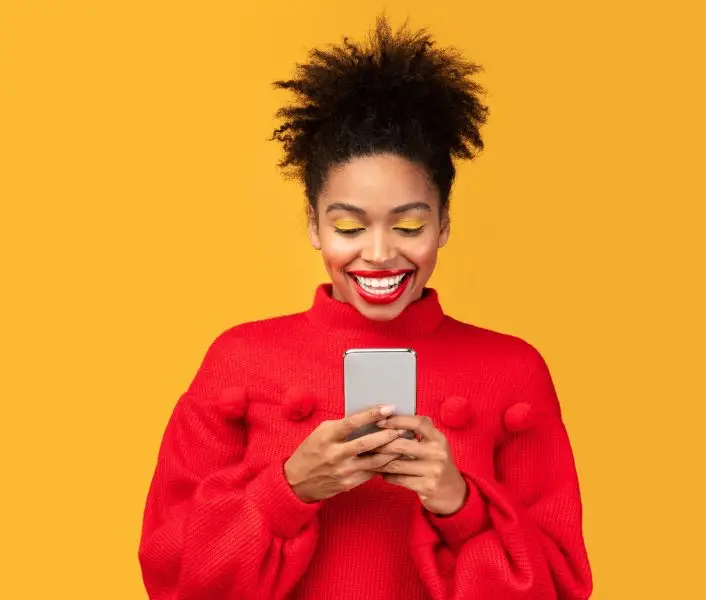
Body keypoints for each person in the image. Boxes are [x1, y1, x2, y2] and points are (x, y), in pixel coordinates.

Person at [138, 17, 592, 600]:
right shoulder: (239, 359)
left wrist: (459, 502)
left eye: (409, 224)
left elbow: (560, 587)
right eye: (348, 226)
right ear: (313, 226)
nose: (378, 254)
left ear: (444, 224)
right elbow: (172, 577)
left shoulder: (513, 369)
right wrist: (290, 489)